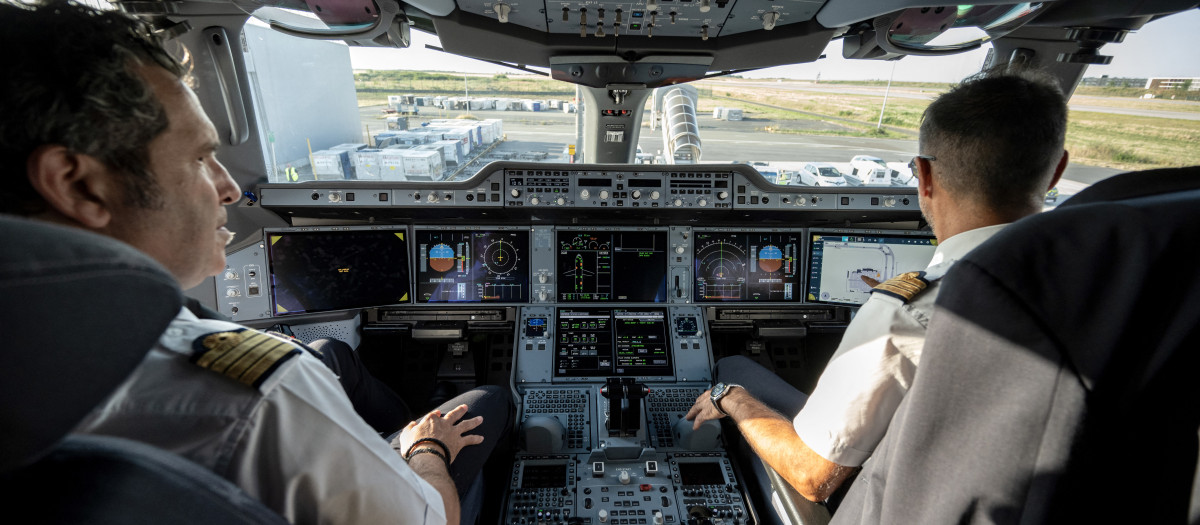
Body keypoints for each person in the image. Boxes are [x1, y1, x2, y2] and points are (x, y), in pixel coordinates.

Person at [0, 1, 509, 523]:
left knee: (332, 352)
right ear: (77, 183)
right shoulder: (263, 396)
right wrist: (427, 451)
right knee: (489, 398)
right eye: (199, 158)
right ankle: (411, 433)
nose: (228, 188)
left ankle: (402, 422)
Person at [685, 68, 1069, 502]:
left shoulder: (908, 313)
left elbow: (812, 476)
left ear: (923, 176)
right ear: (1057, 171)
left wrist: (730, 399)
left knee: (734, 369)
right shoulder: (1108, 283)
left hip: (890, 495)